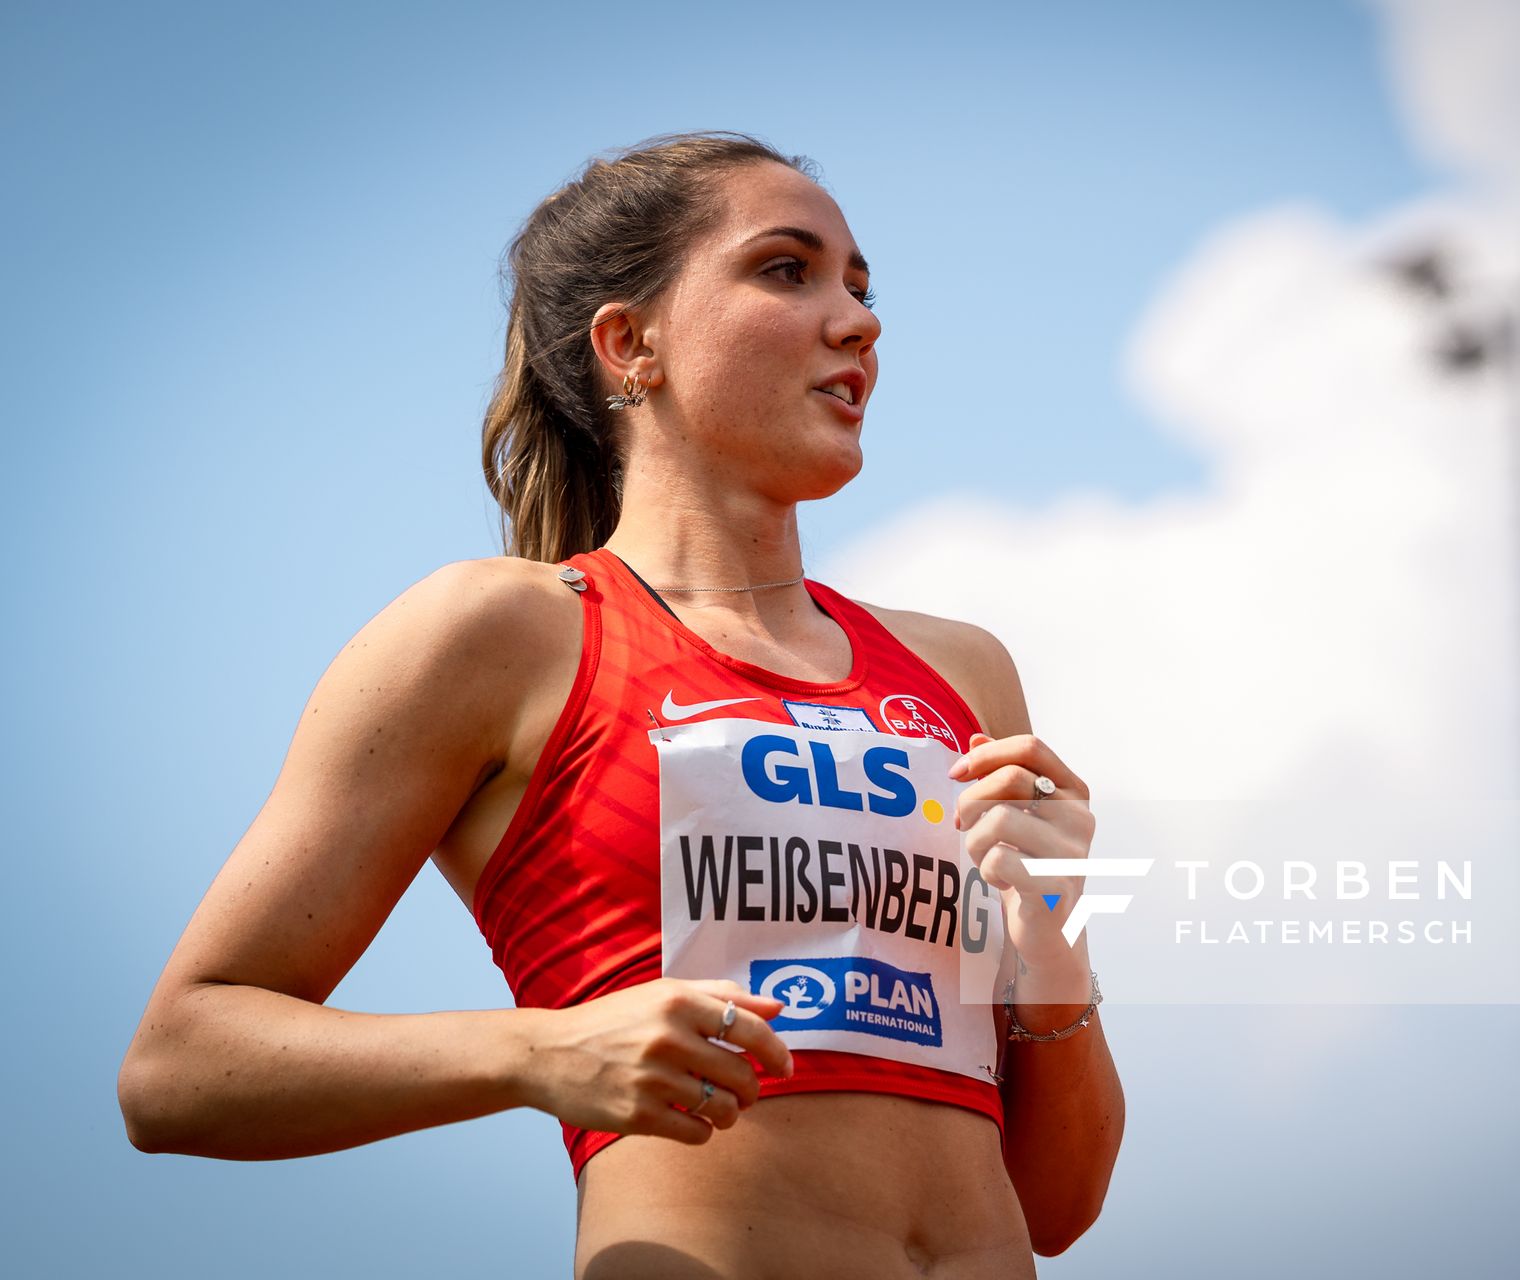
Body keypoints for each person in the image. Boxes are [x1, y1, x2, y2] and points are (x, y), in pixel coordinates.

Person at [115, 131, 1125, 1277]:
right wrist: (537, 1051)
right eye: (787, 270)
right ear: (628, 341)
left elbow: (1058, 1200)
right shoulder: (496, 633)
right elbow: (176, 1067)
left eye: (861, 284)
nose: (858, 320)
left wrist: (1054, 947)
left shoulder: (965, 671)